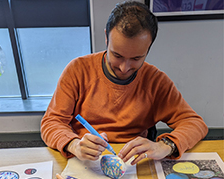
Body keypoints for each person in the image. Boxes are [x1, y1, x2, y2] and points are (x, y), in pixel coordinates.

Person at [40, 1, 207, 165]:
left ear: (148, 49)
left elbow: (195, 124)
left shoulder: (155, 81)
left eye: (136, 58)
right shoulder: (78, 70)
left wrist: (165, 146)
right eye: (117, 55)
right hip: (83, 161)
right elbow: (51, 122)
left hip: (132, 164)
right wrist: (74, 144)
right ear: (106, 38)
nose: (124, 67)